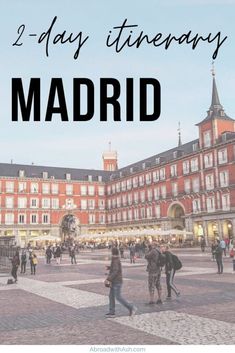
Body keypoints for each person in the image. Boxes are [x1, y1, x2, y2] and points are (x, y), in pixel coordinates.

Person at [105, 247, 137, 317]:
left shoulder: (115, 260)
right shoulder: (115, 259)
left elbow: (116, 271)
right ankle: (112, 311)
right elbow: (115, 268)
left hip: (117, 281)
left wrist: (108, 279)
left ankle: (131, 308)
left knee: (118, 297)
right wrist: (109, 267)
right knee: (111, 296)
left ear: (112, 253)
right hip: (114, 281)